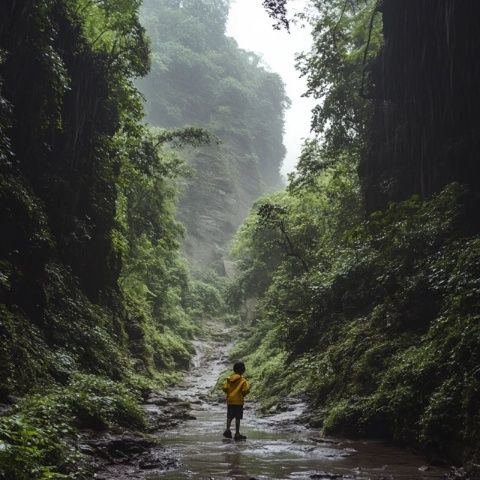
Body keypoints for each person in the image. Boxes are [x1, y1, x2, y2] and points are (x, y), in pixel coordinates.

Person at [222, 361, 250, 440]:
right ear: (243, 370)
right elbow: (246, 389)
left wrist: (229, 393)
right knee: (238, 418)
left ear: (234, 370)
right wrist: (243, 394)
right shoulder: (242, 380)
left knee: (229, 416)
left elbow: (224, 388)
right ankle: (237, 433)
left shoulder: (229, 379)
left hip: (230, 401)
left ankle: (228, 430)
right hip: (238, 402)